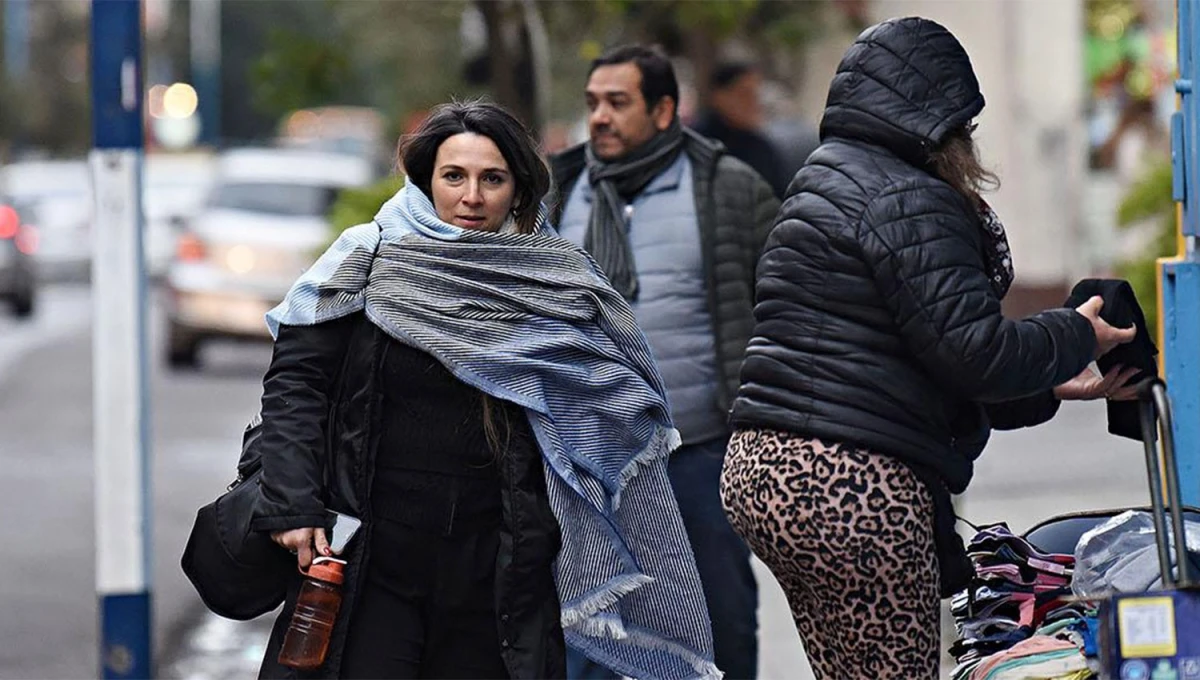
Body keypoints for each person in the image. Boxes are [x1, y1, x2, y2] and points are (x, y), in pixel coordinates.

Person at [720, 17, 1139, 680]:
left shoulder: (820, 181)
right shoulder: (910, 197)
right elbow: (975, 351)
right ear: (940, 120)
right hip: (848, 483)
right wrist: (1078, 332)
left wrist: (1050, 381)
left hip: (762, 472)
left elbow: (914, 353)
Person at [251, 100, 720, 680]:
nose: (471, 196)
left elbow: (613, 401)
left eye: (492, 179)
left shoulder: (558, 282)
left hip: (500, 569)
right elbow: (297, 386)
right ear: (426, 181)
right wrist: (293, 504)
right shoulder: (368, 261)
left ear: (517, 188)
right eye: (454, 176)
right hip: (373, 559)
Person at [549, 45, 779, 680]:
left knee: (720, 619)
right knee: (594, 630)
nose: (599, 117)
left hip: (699, 451)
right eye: (592, 103)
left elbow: (780, 309)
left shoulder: (729, 189)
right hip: (590, 462)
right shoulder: (560, 190)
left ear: (663, 110)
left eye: (617, 103)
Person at [690, 60, 791, 199]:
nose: (754, 103)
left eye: (756, 95)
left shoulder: (762, 148)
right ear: (719, 96)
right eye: (745, 94)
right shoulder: (695, 142)